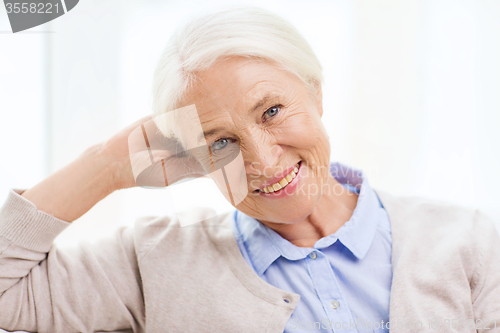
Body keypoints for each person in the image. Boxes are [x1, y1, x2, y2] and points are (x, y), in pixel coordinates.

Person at [1, 6, 499, 333]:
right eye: (220, 142)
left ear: (315, 92)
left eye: (272, 111)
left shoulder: (466, 241)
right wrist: (107, 165)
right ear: (193, 158)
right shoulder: (156, 261)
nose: (262, 161)